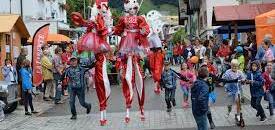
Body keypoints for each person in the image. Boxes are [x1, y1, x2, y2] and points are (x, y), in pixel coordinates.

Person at [71, 2, 112, 124]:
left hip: (102, 58)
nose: (101, 12)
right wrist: (81, 20)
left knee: (103, 82)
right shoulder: (94, 22)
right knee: (100, 82)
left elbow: (105, 30)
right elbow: (87, 24)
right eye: (100, 10)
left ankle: (103, 108)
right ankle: (102, 110)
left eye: (103, 11)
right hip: (97, 58)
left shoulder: (104, 23)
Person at [113, 0, 150, 123]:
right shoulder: (123, 19)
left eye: (134, 8)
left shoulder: (140, 18)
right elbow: (117, 29)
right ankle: (128, 109)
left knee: (138, 78)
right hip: (126, 46)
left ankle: (141, 108)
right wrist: (117, 30)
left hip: (137, 46)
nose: (132, 11)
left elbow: (146, 28)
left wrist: (144, 31)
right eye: (130, 9)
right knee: (127, 79)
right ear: (127, 9)